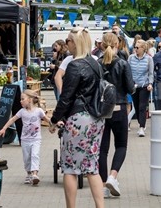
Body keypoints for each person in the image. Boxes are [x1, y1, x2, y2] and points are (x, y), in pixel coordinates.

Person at [49, 26, 105, 208]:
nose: (66, 44)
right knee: (92, 167)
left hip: (78, 118)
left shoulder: (74, 65)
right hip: (96, 118)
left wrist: (54, 119)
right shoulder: (96, 63)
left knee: (70, 168)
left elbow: (66, 97)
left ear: (76, 43)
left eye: (68, 41)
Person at [98, 32, 134, 198]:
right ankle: (113, 177)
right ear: (117, 44)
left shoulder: (97, 63)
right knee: (121, 145)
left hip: (101, 110)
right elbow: (130, 87)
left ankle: (104, 184)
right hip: (119, 107)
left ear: (101, 45)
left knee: (102, 149)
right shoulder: (123, 63)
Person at [0, 89, 45, 185]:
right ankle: (28, 174)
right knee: (27, 158)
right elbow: (12, 119)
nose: (20, 101)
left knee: (35, 155)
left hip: (36, 139)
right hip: (25, 140)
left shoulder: (39, 111)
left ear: (30, 100)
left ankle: (35, 174)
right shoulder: (22, 111)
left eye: (23, 99)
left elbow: (47, 119)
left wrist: (55, 124)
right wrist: (4, 128)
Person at [129, 40, 153, 137]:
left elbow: (151, 73)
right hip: (134, 85)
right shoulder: (131, 58)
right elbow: (128, 71)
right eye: (135, 47)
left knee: (142, 107)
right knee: (136, 106)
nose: (135, 49)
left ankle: (142, 127)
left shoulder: (148, 59)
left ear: (143, 48)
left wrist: (150, 83)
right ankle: (140, 122)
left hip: (144, 85)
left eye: (137, 47)